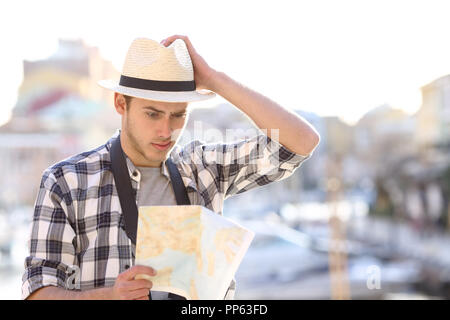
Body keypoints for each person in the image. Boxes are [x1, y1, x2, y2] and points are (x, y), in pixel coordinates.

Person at [22, 35, 320, 300]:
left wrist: (215, 80)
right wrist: (110, 296)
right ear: (120, 104)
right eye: (152, 114)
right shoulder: (66, 181)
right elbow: (38, 291)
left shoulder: (204, 169)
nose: (167, 130)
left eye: (178, 115)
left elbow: (301, 141)